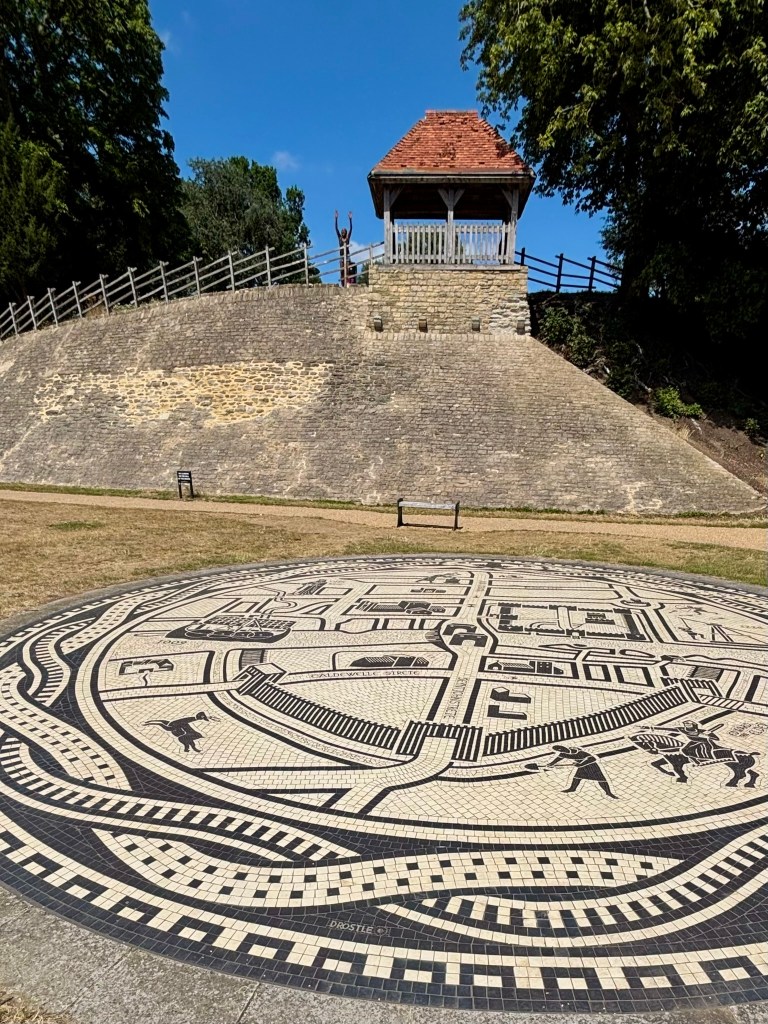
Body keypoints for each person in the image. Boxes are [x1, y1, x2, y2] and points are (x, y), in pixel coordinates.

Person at [535, 744, 618, 798]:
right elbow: (558, 758)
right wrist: (551, 764)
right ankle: (572, 788)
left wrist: (581, 764)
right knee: (577, 777)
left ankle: (608, 792)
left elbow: (592, 758)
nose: (561, 752)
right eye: (559, 751)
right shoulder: (563, 753)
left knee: (601, 779)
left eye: (562, 750)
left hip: (591, 766)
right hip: (581, 766)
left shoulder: (579, 752)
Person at [335, 210, 353, 286]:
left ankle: (347, 283)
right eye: (342, 231)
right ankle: (343, 284)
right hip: (342, 256)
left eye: (344, 231)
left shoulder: (347, 238)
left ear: (345, 232)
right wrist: (336, 219)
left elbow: (351, 229)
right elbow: (336, 228)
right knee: (342, 271)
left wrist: (350, 220)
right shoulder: (339, 238)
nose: (342, 232)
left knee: (347, 270)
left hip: (347, 256)